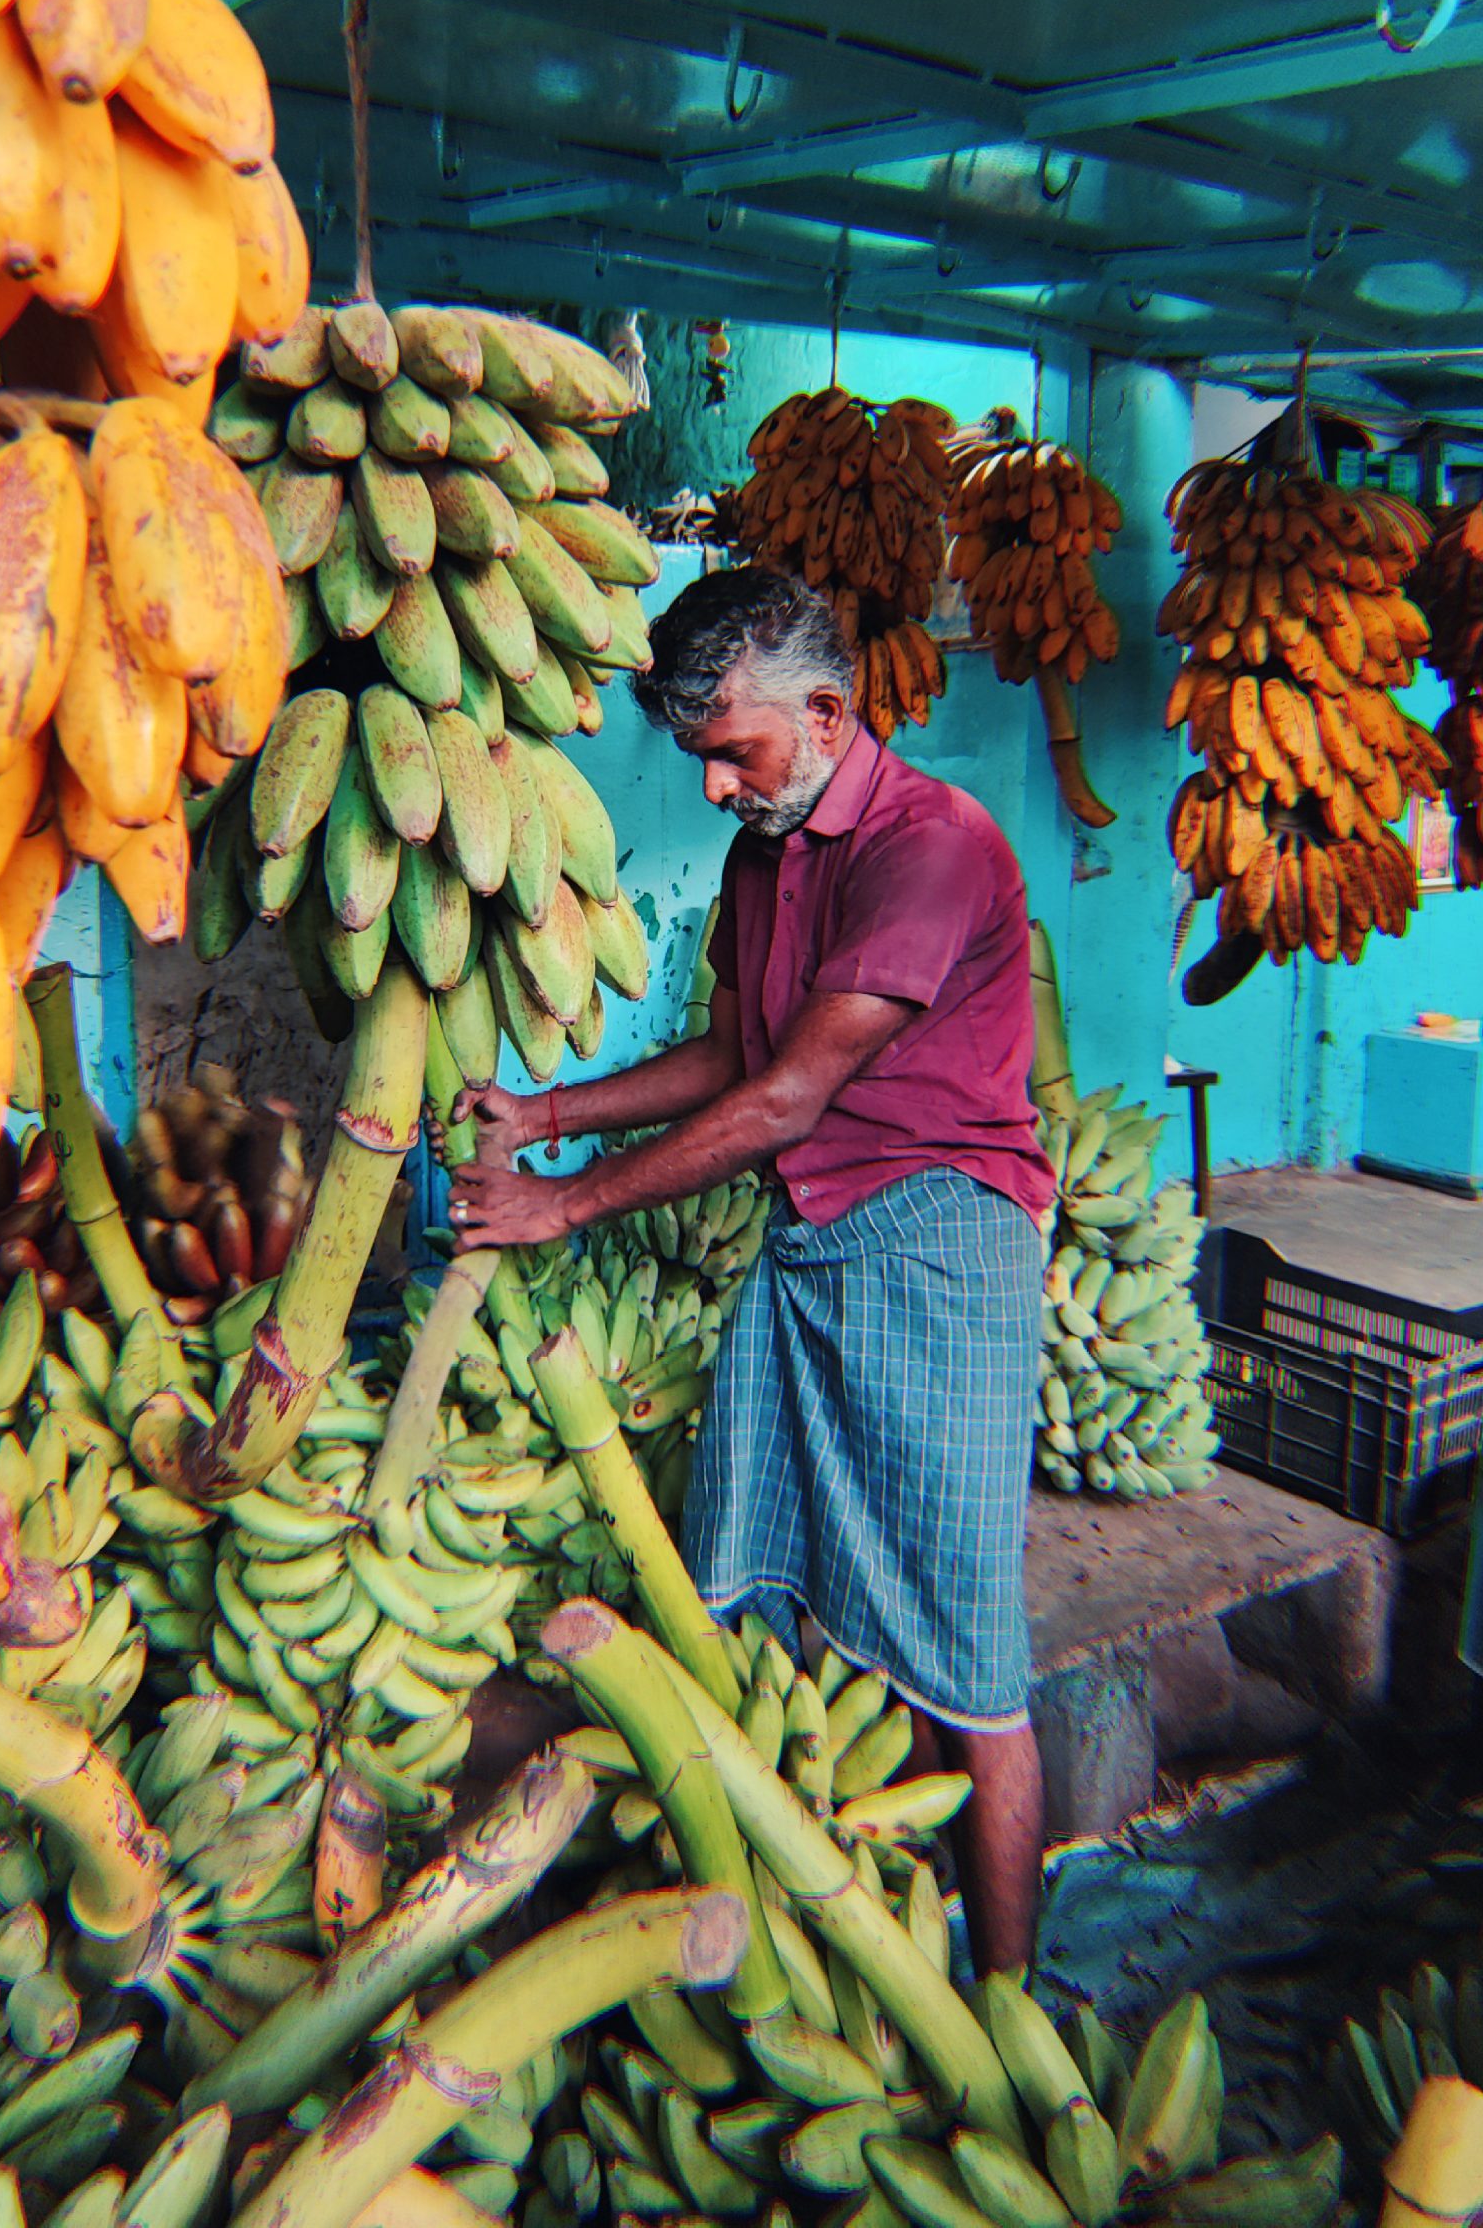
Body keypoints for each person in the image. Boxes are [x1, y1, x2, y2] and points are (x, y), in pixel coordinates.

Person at [444, 565, 1055, 1975]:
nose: (714, 788)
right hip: (812, 1242)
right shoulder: (764, 857)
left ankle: (1017, 1987)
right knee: (785, 1583)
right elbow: (728, 1057)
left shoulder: (934, 849)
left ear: (830, 712)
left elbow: (787, 1096)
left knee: (964, 1644)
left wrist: (566, 1204)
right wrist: (546, 1115)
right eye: (699, 760)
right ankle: (860, 1909)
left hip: (938, 1246)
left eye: (733, 753)